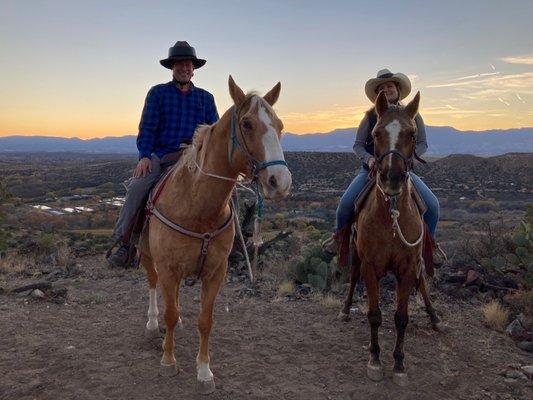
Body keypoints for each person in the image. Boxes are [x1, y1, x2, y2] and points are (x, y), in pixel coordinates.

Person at [107, 41, 219, 268]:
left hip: (195, 157)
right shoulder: (158, 93)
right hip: (163, 153)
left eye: (188, 64)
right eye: (179, 64)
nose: (184, 68)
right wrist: (145, 156)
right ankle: (125, 243)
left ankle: (233, 243)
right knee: (139, 187)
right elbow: (147, 128)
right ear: (172, 67)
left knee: (226, 191)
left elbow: (215, 132)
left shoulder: (206, 98)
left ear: (193, 68)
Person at [323, 69, 441, 258]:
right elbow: (358, 145)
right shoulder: (370, 117)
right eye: (382, 88)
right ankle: (339, 238)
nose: (386, 90)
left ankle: (431, 246)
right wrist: (369, 159)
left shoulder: (412, 115)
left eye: (390, 86)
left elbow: (422, 144)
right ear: (378, 94)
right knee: (345, 204)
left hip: (402, 170)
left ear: (397, 89)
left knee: (433, 206)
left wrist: (408, 159)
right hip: (371, 170)